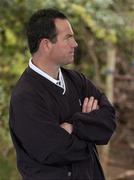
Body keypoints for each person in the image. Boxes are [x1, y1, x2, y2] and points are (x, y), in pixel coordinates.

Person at [9, 8, 116, 180]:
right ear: (46, 44)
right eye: (68, 38)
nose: (75, 44)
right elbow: (53, 150)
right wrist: (89, 130)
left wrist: (73, 126)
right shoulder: (25, 96)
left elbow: (108, 122)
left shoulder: (78, 81)